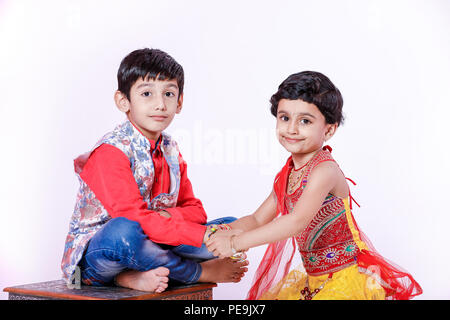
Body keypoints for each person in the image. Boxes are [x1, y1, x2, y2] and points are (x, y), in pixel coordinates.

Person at [206, 71, 423, 300]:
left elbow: (295, 221)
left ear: (329, 129)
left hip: (344, 278)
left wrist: (235, 243)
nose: (291, 129)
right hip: (314, 280)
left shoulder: (325, 170)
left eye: (305, 121)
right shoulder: (287, 174)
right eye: (284, 118)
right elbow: (258, 219)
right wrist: (222, 232)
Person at [61, 48, 248, 293]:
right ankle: (194, 273)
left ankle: (135, 275)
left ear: (179, 102)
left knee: (233, 228)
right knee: (126, 231)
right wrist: (171, 227)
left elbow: (196, 210)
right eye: (147, 93)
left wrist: (166, 220)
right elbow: (132, 220)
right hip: (102, 254)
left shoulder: (169, 148)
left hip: (155, 238)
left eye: (169, 94)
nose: (160, 104)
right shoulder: (111, 151)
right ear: (123, 101)